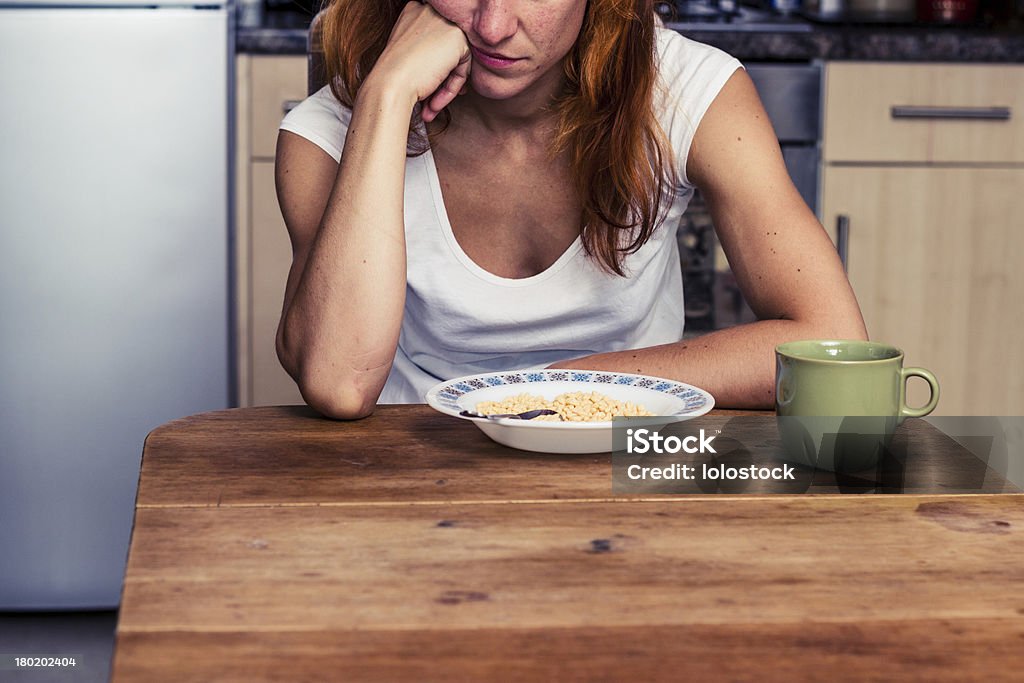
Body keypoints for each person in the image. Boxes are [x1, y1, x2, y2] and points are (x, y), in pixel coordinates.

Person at [275, 0, 867, 420]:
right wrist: (385, 96)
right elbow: (339, 386)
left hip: (625, 446)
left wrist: (554, 391)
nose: (494, 25)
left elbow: (831, 341)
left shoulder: (685, 88)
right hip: (412, 458)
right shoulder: (325, 133)